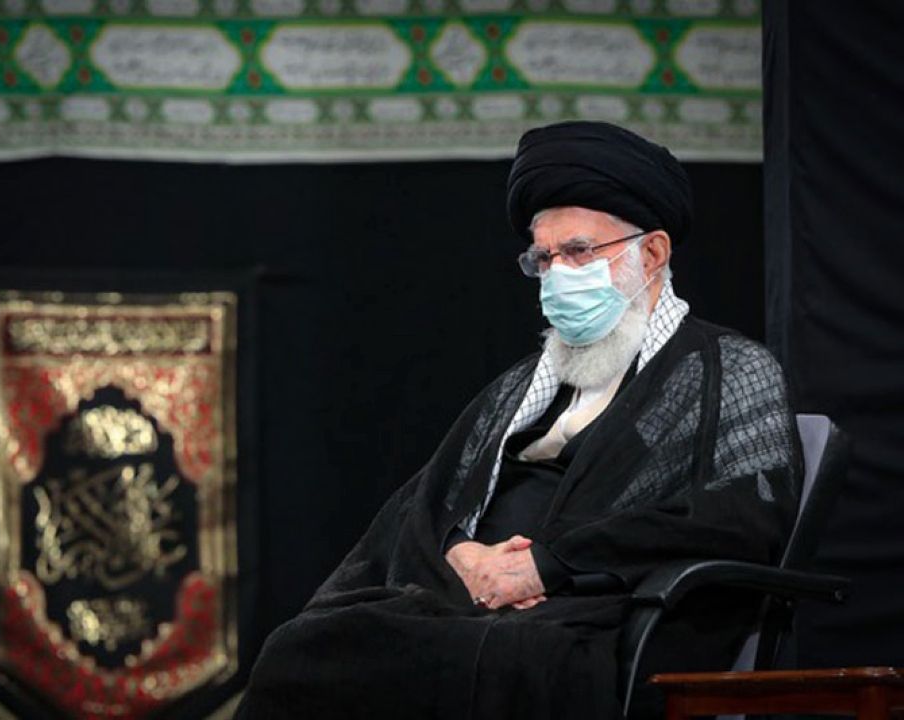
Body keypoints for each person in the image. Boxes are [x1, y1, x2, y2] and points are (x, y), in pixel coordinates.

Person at [235, 121, 801, 719]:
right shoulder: (525, 384)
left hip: (599, 616)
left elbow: (743, 516)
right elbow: (430, 499)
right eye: (544, 259)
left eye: (578, 251)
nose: (558, 275)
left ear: (652, 252)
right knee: (302, 649)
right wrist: (459, 552)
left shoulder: (730, 368)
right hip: (472, 601)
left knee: (507, 659)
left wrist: (548, 566)